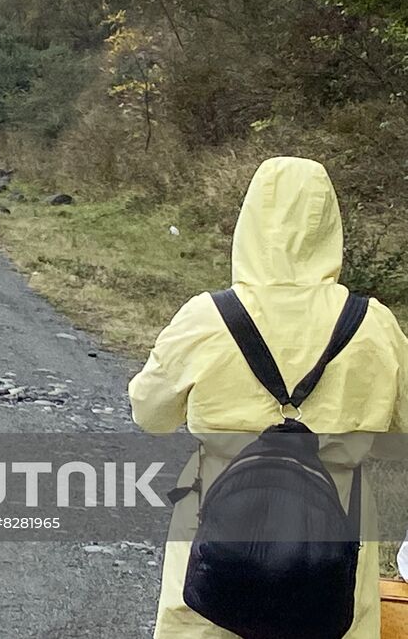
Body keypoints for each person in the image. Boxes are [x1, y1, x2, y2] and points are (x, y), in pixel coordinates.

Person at [130, 157, 408, 638]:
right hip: (337, 520)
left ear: (249, 223)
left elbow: (150, 414)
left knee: (205, 621)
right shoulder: (374, 324)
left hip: (218, 509)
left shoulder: (207, 317)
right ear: (331, 226)